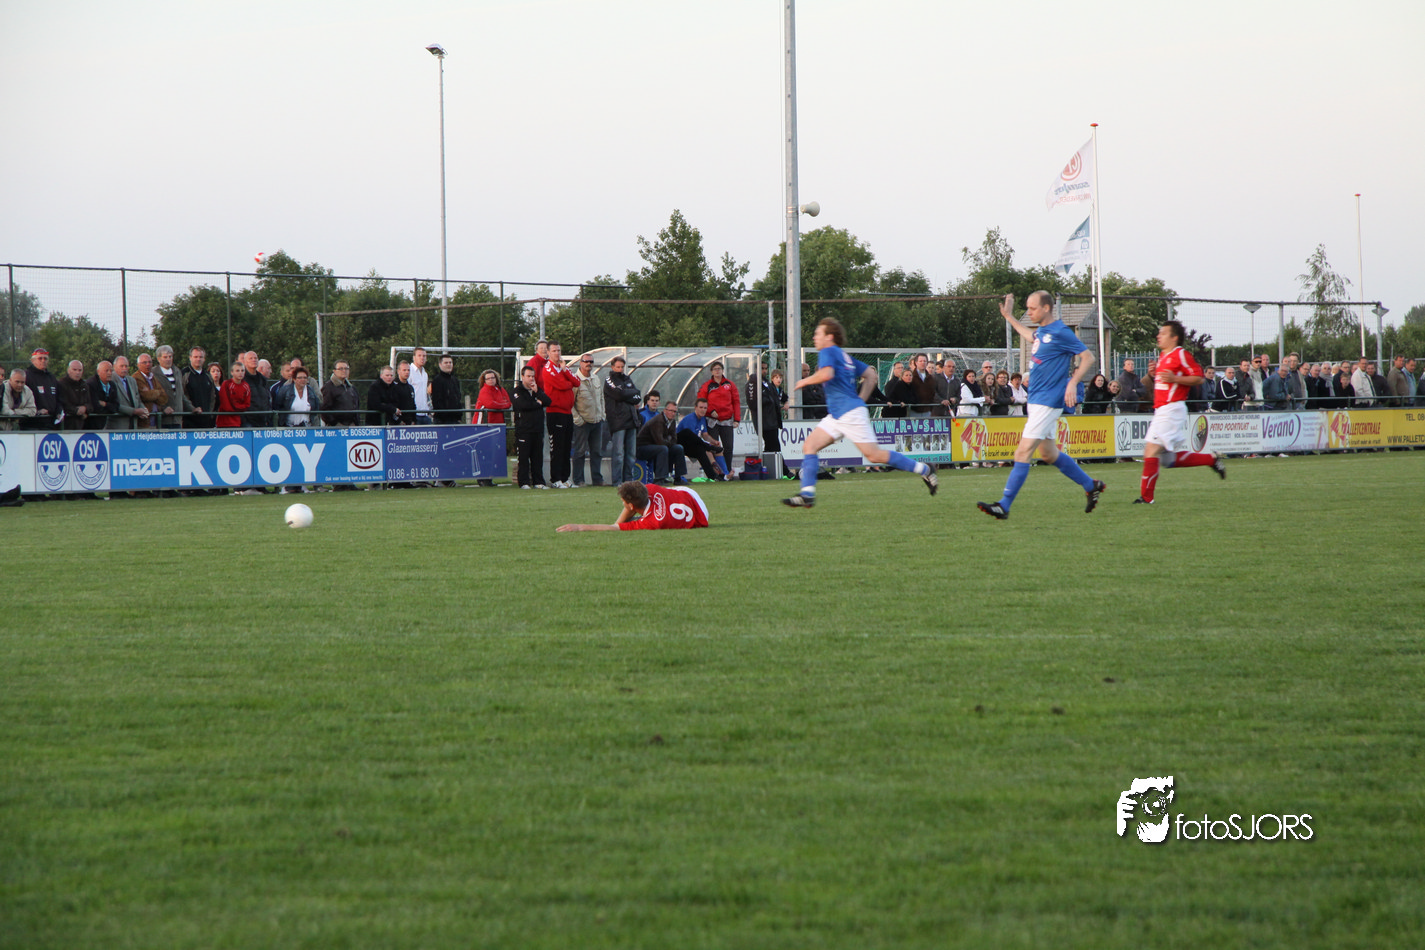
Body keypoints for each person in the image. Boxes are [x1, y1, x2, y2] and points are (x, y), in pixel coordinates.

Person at [782, 318, 937, 508]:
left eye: (818, 333)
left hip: (848, 413)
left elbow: (827, 374)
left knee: (874, 456)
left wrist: (804, 381)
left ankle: (925, 469)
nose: (815, 337)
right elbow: (871, 375)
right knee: (810, 446)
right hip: (839, 414)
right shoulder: (844, 356)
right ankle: (807, 494)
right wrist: (860, 400)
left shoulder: (828, 351)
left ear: (829, 337)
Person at [977, 292, 1104, 520]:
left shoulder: (1061, 331)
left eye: (1033, 308)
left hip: (1048, 401)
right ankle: (1090, 484)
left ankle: (1004, 505)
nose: (1029, 312)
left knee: (1022, 452)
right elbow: (1029, 335)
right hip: (1036, 400)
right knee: (1048, 453)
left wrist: (1072, 383)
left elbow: (1088, 357)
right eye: (1027, 308)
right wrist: (1008, 316)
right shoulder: (1043, 332)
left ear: (1046, 308)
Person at [1133, 321, 1226, 505]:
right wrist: (1154, 375)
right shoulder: (1163, 356)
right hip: (1161, 410)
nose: (1158, 336)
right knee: (1166, 460)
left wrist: (1175, 378)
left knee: (1151, 451)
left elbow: (1199, 378)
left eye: (1163, 333)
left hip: (1171, 409)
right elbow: (1165, 382)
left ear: (1174, 337)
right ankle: (1211, 459)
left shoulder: (1181, 354)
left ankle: (1146, 498)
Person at [556, 480, 709, 532]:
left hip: (698, 514)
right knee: (666, 492)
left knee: (627, 521)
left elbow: (614, 529)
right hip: (690, 497)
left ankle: (624, 516)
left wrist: (580, 527)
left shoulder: (651, 523)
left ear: (629, 505)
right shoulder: (651, 488)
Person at [538, 341, 579, 488]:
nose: (557, 353)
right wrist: (567, 381)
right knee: (557, 447)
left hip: (567, 412)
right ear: (548, 352)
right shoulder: (547, 369)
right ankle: (556, 479)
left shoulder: (563, 367)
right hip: (555, 412)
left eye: (559, 350)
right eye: (554, 351)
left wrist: (565, 371)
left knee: (567, 447)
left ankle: (565, 478)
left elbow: (577, 382)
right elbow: (563, 384)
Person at [698, 361, 740, 478]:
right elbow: (701, 400)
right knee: (714, 447)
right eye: (715, 369)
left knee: (728, 447)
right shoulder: (707, 385)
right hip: (712, 421)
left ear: (722, 370)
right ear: (712, 372)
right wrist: (710, 410)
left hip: (727, 420)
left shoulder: (730, 384)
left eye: (719, 369)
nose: (717, 371)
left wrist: (737, 419)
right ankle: (717, 473)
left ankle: (727, 472)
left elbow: (736, 402)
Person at [604, 356, 642, 484]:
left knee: (631, 454)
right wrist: (630, 394)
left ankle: (628, 481)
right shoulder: (609, 380)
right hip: (618, 421)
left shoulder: (627, 379)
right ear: (612, 367)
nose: (620, 369)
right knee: (618, 454)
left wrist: (627, 394)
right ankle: (617, 481)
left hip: (631, 419)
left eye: (622, 367)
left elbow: (638, 396)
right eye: (618, 367)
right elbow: (618, 394)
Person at [570, 354, 606, 487]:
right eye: (586, 361)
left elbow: (601, 398)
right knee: (580, 451)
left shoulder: (596, 378)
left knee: (597, 452)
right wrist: (578, 419)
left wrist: (602, 415)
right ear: (580, 363)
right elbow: (570, 402)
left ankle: (597, 479)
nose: (588, 363)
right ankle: (579, 479)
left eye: (591, 361)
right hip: (583, 423)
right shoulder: (575, 380)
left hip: (597, 421)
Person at [512, 364, 551, 488]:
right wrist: (538, 404)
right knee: (524, 458)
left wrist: (537, 392)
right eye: (528, 376)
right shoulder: (517, 391)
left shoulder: (537, 390)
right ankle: (524, 482)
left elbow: (548, 401)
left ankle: (538, 482)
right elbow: (523, 405)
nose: (531, 379)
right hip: (524, 430)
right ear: (523, 377)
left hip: (537, 429)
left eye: (533, 376)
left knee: (537, 458)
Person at [636, 401, 688, 484]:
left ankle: (678, 478)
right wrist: (669, 442)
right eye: (671, 411)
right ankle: (660, 478)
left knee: (678, 448)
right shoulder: (658, 421)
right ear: (665, 410)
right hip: (642, 447)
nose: (673, 413)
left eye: (675, 411)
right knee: (663, 449)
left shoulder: (672, 421)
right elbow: (659, 441)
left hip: (657, 446)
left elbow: (674, 439)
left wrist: (669, 443)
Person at [676, 397, 725, 481]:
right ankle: (710, 449)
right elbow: (691, 438)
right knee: (702, 448)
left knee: (705, 450)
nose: (703, 410)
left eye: (705, 408)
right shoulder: (690, 419)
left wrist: (714, 442)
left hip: (692, 444)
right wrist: (707, 445)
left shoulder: (702, 418)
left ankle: (717, 475)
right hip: (681, 444)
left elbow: (705, 435)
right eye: (701, 407)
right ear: (696, 408)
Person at [747, 366, 788, 462]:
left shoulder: (771, 386)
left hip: (773, 421)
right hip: (766, 421)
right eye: (776, 377)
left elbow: (783, 398)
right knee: (774, 446)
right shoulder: (755, 384)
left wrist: (785, 403)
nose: (779, 380)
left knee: (770, 447)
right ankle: (783, 468)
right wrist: (770, 402)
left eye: (765, 368)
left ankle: (769, 466)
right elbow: (754, 403)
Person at [152, 345, 193, 429]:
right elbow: (152, 396)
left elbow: (181, 394)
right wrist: (163, 408)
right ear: (159, 358)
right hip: (162, 419)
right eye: (165, 357)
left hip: (177, 418)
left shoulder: (177, 371)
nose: (168, 359)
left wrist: (192, 408)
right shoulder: (153, 373)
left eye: (170, 356)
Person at [23, 348, 63, 430]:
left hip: (51, 422)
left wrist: (59, 412)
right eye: (40, 358)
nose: (43, 361)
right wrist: (36, 411)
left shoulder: (51, 377)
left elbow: (58, 398)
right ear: (33, 361)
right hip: (32, 424)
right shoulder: (26, 376)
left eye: (45, 358)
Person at [111, 355, 149, 430]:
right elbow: (114, 404)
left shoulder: (132, 380)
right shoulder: (111, 380)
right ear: (114, 367)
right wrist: (134, 411)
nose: (124, 368)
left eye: (126, 366)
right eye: (122, 366)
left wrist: (143, 410)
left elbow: (138, 399)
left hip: (133, 425)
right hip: (117, 426)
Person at [184, 346, 217, 428]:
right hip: (189, 420)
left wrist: (210, 413)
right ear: (190, 358)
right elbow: (181, 395)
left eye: (201, 357)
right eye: (196, 357)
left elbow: (212, 396)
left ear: (204, 359)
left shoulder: (208, 376)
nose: (198, 359)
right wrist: (191, 409)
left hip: (206, 420)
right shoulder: (184, 374)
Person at [321, 360, 360, 426]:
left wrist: (356, 422)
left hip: (352, 425)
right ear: (334, 371)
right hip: (336, 427)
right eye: (341, 369)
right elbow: (324, 409)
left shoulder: (351, 388)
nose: (344, 371)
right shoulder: (328, 387)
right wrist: (335, 423)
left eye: (346, 368)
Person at [57, 359, 94, 430]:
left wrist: (85, 408)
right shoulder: (62, 384)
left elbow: (90, 403)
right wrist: (76, 410)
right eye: (74, 370)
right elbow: (62, 403)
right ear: (68, 370)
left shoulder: (84, 385)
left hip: (82, 425)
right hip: (66, 425)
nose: (77, 372)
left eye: (80, 370)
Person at [133, 352, 166, 425]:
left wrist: (152, 393)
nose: (148, 364)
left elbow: (164, 398)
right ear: (138, 365)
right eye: (145, 362)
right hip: (144, 421)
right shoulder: (135, 378)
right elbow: (144, 396)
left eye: (150, 362)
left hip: (156, 419)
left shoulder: (153, 378)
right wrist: (158, 392)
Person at [431, 354, 464, 425]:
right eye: (446, 363)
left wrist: (459, 416)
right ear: (440, 365)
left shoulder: (455, 380)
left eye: (450, 362)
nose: (449, 364)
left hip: (455, 420)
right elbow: (437, 401)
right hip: (442, 421)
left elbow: (458, 398)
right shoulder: (437, 380)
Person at [85, 360, 118, 430]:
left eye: (111, 371)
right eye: (107, 371)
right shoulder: (91, 384)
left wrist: (105, 404)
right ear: (98, 372)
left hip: (105, 424)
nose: (109, 373)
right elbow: (96, 407)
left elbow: (116, 407)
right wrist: (110, 407)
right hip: (91, 425)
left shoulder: (112, 385)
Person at [215, 362, 251, 428]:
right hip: (224, 422)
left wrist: (238, 407)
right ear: (232, 372)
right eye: (237, 371)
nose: (240, 373)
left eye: (242, 370)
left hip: (238, 421)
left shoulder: (246, 386)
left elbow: (247, 404)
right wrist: (239, 408)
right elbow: (226, 405)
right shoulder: (226, 384)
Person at [907, 353, 937, 418]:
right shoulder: (911, 377)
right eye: (920, 361)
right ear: (916, 363)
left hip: (927, 411)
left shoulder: (931, 378)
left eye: (924, 361)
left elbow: (933, 393)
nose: (923, 363)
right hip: (914, 410)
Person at [408, 346, 432, 423]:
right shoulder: (409, 371)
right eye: (419, 355)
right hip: (414, 413)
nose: (422, 358)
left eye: (424, 356)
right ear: (414, 357)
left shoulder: (425, 374)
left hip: (425, 413)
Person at [392, 360, 418, 426]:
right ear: (398, 371)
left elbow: (413, 406)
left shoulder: (410, 388)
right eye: (404, 370)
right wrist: (398, 421)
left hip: (410, 424)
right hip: (397, 425)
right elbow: (391, 406)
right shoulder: (393, 387)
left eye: (408, 370)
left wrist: (414, 420)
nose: (407, 372)